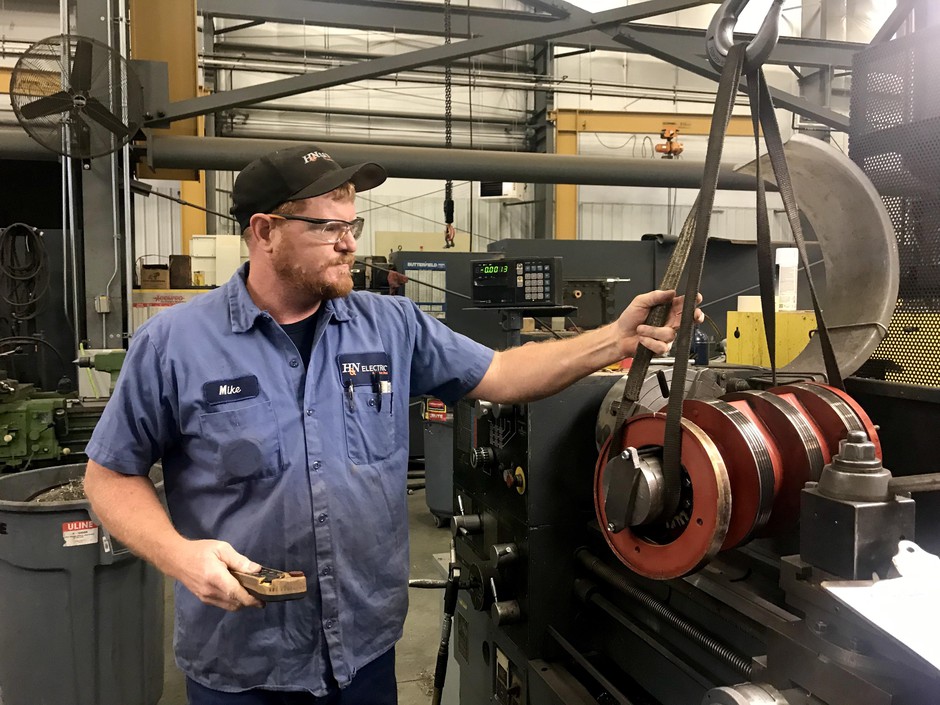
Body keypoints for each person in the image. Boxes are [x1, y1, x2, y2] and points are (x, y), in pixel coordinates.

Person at [83, 145, 703, 705]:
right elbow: (109, 476)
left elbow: (505, 374)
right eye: (328, 226)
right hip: (243, 660)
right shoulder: (175, 344)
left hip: (364, 651)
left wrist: (613, 339)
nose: (349, 243)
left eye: (351, 225)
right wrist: (179, 556)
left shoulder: (390, 326)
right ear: (264, 232)